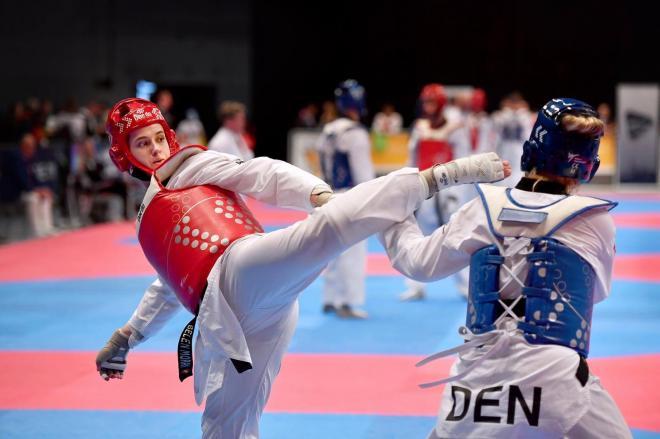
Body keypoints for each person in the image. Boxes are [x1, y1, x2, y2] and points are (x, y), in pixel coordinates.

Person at [94, 97, 508, 439]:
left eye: (157, 139)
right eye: (141, 144)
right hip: (226, 318)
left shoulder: (191, 167)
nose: (155, 150)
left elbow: (261, 173)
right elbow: (166, 285)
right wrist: (127, 336)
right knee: (225, 424)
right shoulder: (149, 215)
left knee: (323, 231)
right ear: (124, 154)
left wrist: (317, 194)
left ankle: (437, 178)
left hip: (241, 268)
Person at [379, 98, 631, 438]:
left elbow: (417, 263)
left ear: (530, 151)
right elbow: (593, 293)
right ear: (590, 165)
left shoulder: (481, 208)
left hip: (475, 383)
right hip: (555, 376)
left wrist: (386, 212)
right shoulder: (594, 221)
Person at [400, 83, 471, 301]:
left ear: (440, 104)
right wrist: (406, 185)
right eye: (426, 102)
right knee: (416, 237)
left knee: (453, 238)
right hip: (422, 190)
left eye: (432, 102)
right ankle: (415, 285)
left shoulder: (455, 129)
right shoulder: (419, 128)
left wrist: (457, 193)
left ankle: (465, 285)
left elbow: (464, 161)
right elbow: (412, 158)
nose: (428, 107)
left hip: (446, 190)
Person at [316, 79, 375, 319]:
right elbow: (364, 175)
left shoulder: (328, 130)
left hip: (328, 196)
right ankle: (348, 302)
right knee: (353, 252)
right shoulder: (355, 133)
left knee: (331, 250)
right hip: (351, 197)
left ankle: (330, 298)